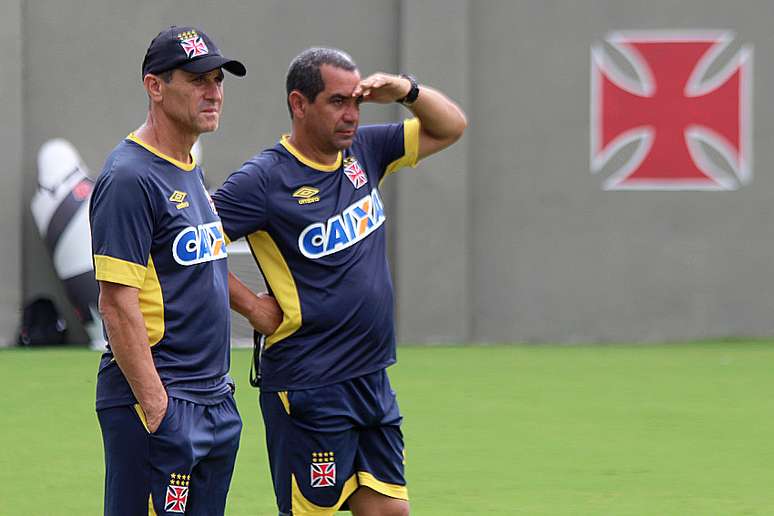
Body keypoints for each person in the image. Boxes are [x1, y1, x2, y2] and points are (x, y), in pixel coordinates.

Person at [213, 47, 467, 515]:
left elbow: (450, 126)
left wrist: (405, 90)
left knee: (392, 511)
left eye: (356, 102)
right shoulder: (264, 180)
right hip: (310, 383)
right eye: (337, 102)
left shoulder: (364, 151)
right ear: (298, 104)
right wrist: (251, 305)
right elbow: (186, 246)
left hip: (371, 379)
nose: (351, 115)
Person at [90, 26, 279, 515]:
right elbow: (115, 301)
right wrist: (158, 409)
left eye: (218, 79)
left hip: (214, 398)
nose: (213, 91)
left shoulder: (188, 165)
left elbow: (201, 261)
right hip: (162, 399)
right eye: (197, 79)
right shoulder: (130, 176)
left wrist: (258, 309)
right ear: (155, 86)